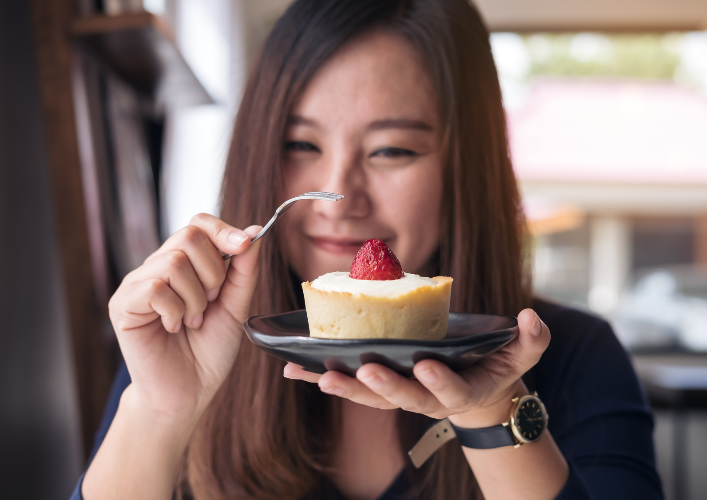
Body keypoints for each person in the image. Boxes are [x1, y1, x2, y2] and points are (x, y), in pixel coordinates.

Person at [72, 0, 664, 499]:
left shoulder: (576, 357)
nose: (335, 200)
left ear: (467, 167)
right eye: (301, 143)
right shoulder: (191, 347)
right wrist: (159, 410)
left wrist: (489, 407)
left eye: (390, 151)